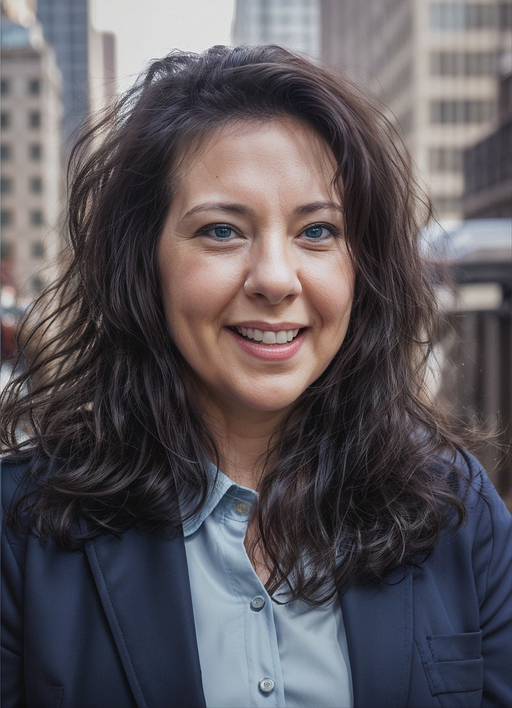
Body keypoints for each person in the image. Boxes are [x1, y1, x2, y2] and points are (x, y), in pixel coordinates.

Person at [1, 45, 510, 708]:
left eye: (318, 231)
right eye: (220, 230)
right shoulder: (20, 530)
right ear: (142, 264)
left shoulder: (459, 510)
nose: (274, 277)